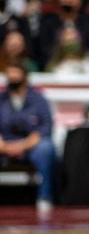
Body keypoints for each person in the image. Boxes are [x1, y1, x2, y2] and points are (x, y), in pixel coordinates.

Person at [0, 61, 57, 214]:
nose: (12, 77)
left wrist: (23, 145)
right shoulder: (1, 98)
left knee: (46, 148)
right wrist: (3, 145)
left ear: (24, 77)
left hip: (30, 144)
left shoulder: (38, 99)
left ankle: (44, 198)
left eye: (15, 73)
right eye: (9, 74)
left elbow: (46, 127)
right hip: (4, 144)